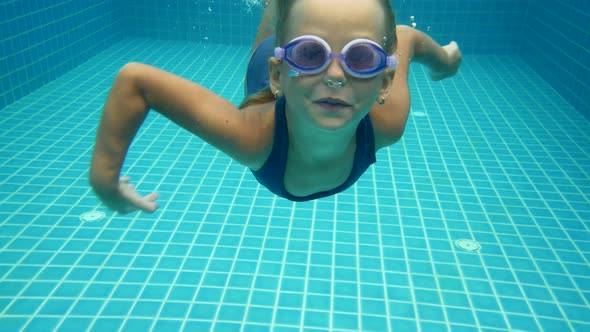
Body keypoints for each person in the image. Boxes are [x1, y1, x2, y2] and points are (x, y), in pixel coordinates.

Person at [89, 0, 462, 214]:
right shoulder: (253, 136)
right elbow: (135, 81)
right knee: (277, 26)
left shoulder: (388, 122)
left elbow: (406, 38)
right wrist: (105, 185)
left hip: (293, 65)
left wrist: (443, 60)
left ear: (384, 81)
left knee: (295, 26)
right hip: (273, 64)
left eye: (361, 58)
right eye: (312, 53)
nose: (335, 76)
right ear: (278, 77)